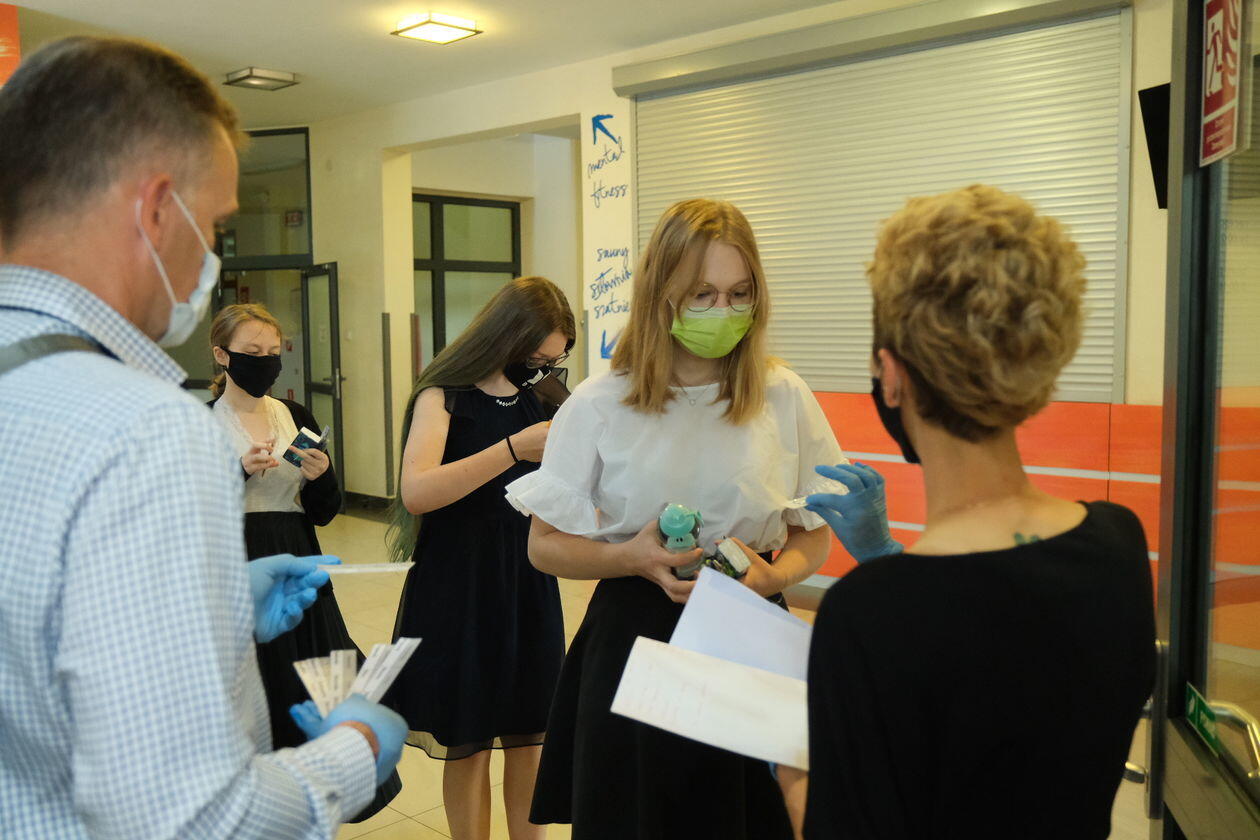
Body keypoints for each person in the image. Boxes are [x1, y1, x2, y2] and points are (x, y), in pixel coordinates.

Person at [0, 37, 405, 839]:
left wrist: (214, 611)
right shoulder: (144, 428)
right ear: (156, 208)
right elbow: (186, 817)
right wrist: (354, 752)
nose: (212, 256)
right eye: (215, 222)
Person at [799, 185, 1156, 839]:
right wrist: (889, 561)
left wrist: (794, 778)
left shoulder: (866, 618)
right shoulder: (1119, 543)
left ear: (892, 375)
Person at [505, 199, 857, 840]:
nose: (723, 310)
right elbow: (544, 547)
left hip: (748, 630)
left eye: (739, 293)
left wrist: (771, 579)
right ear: (660, 293)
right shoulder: (601, 401)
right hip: (635, 634)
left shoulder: (782, 393)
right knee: (639, 816)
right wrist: (629, 557)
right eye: (702, 294)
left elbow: (814, 536)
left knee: (753, 818)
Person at [383, 276, 574, 840]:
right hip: (459, 583)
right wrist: (513, 449)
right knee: (468, 741)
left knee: (530, 734)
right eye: (535, 359)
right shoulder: (444, 395)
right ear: (506, 336)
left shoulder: (547, 397)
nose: (542, 371)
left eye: (553, 362)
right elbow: (417, 492)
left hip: (527, 576)